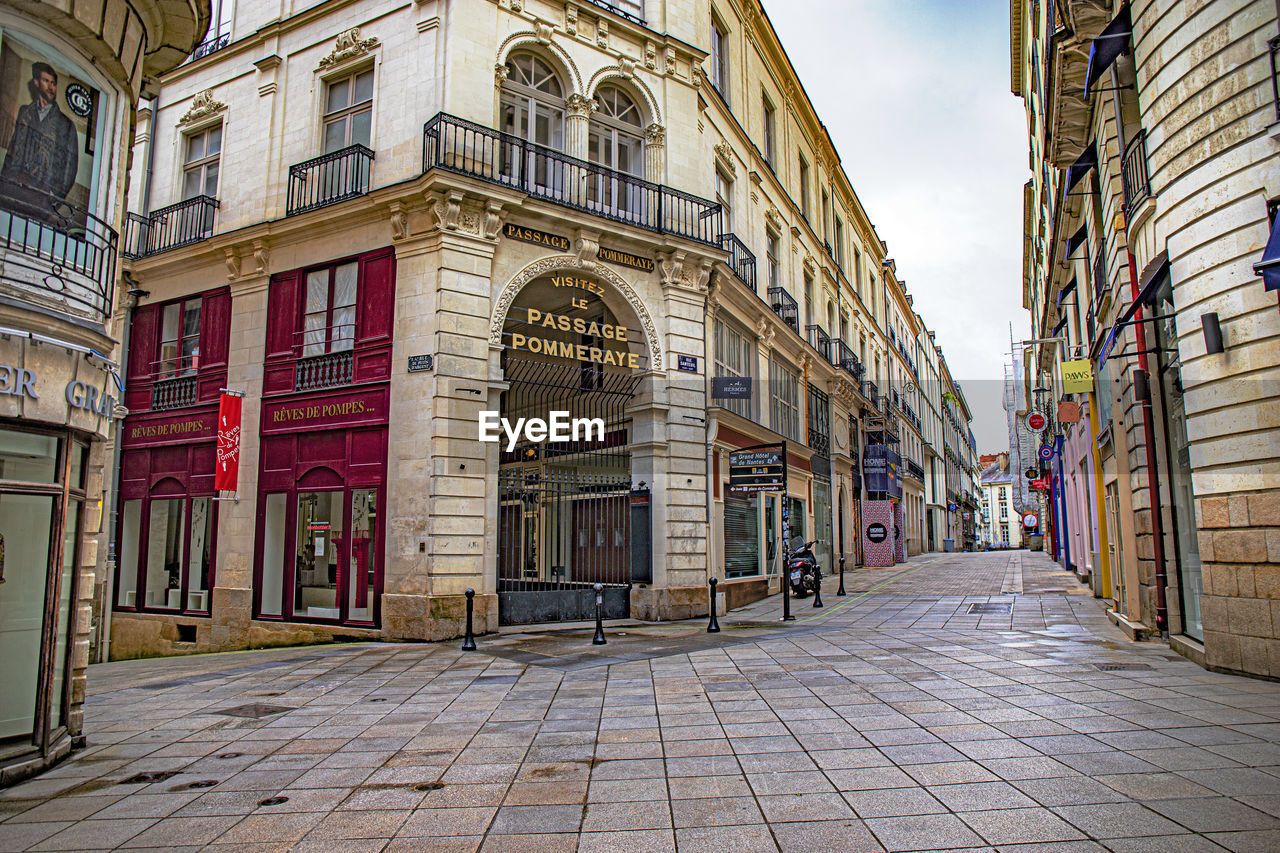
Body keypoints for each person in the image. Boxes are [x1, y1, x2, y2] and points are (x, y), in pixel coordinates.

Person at [0, 61, 79, 217]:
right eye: (46, 81)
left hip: (40, 198)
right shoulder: (25, 112)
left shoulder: (65, 124)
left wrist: (54, 198)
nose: (51, 87)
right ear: (36, 82)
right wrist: (4, 182)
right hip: (12, 190)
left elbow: (70, 167)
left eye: (54, 83)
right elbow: (12, 147)